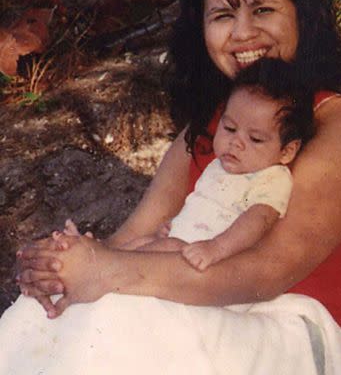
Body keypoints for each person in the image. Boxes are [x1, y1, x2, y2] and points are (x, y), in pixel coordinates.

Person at [10, 0, 341, 374]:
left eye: (263, 10)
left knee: (122, 316)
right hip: (225, 317)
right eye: (223, 16)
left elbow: (267, 270)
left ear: (302, 16)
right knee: (41, 315)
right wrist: (60, 264)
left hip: (331, 345)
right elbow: (127, 239)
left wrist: (106, 271)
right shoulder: (210, 127)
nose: (243, 33)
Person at [61, 59, 314, 272]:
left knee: (156, 251)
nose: (235, 143)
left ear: (287, 151)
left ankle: (96, 264)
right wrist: (175, 224)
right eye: (229, 128)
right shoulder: (220, 166)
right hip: (184, 245)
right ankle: (93, 253)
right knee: (145, 243)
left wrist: (216, 249)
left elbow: (259, 220)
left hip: (214, 263)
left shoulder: (271, 178)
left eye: (255, 139)